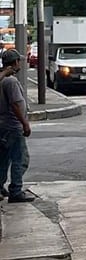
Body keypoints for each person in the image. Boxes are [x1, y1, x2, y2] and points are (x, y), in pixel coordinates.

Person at [0, 49, 35, 203]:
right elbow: (15, 104)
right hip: (13, 125)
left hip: (3, 125)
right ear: (14, 62)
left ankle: (0, 186)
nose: (20, 63)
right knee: (20, 158)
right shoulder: (11, 81)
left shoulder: (2, 79)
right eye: (18, 61)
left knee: (4, 158)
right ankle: (16, 190)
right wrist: (25, 123)